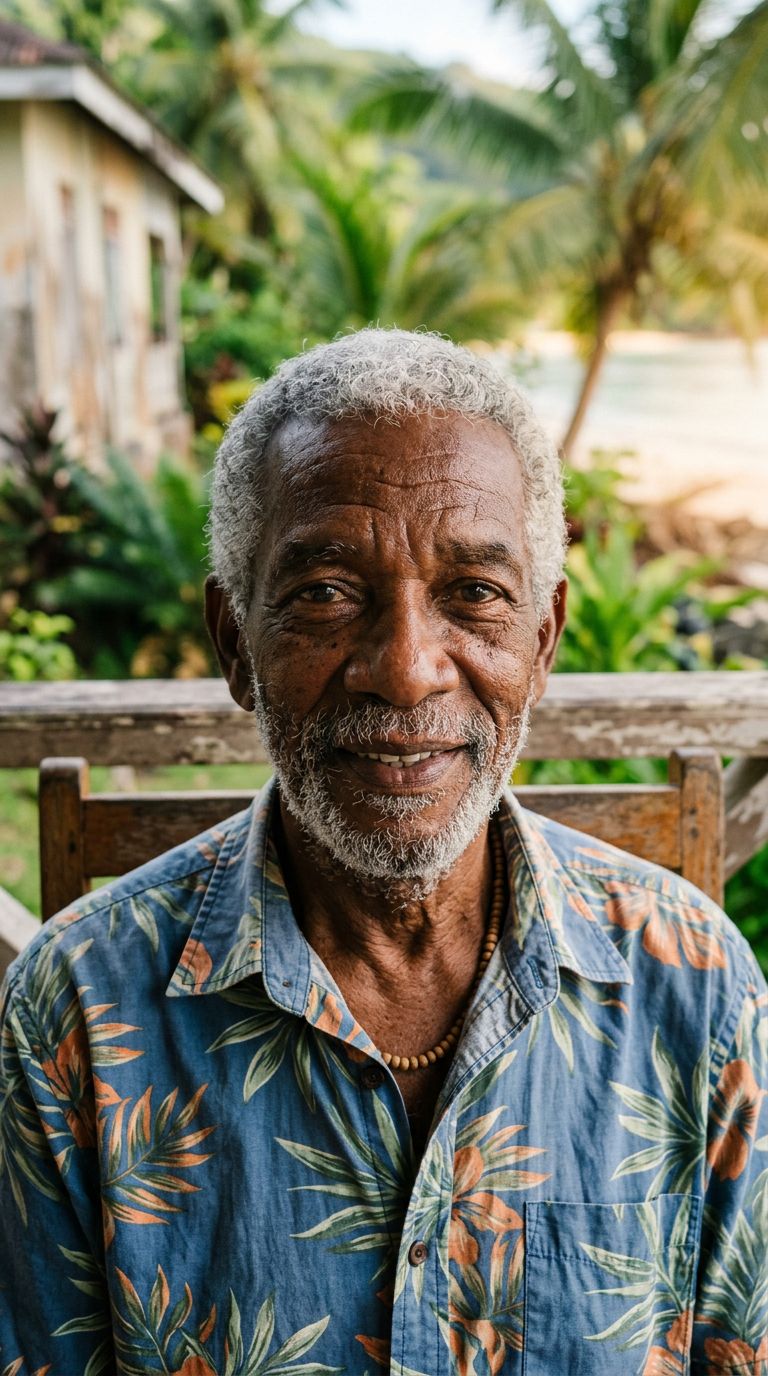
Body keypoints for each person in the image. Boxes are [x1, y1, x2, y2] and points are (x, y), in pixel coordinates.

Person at [1, 328, 766, 1375]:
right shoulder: (80, 1006)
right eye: (324, 591)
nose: (406, 671)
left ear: (541, 641)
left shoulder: (698, 990)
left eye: (474, 594)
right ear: (234, 641)